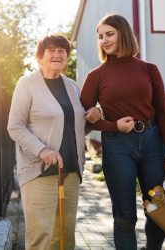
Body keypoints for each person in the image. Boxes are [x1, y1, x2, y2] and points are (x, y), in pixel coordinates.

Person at [81, 14, 165, 250]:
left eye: (109, 34)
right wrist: (112, 126)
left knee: (158, 209)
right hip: (117, 146)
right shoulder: (95, 76)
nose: (104, 40)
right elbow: (84, 118)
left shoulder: (149, 70)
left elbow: (163, 113)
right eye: (100, 36)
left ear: (123, 33)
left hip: (153, 143)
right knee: (125, 216)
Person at [7, 34, 101, 249]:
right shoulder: (27, 84)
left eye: (62, 51)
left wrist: (92, 118)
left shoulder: (73, 87)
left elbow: (76, 127)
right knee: (41, 236)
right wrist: (42, 150)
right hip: (40, 171)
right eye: (51, 50)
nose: (57, 54)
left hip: (70, 172)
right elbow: (15, 126)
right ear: (40, 56)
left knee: (65, 237)